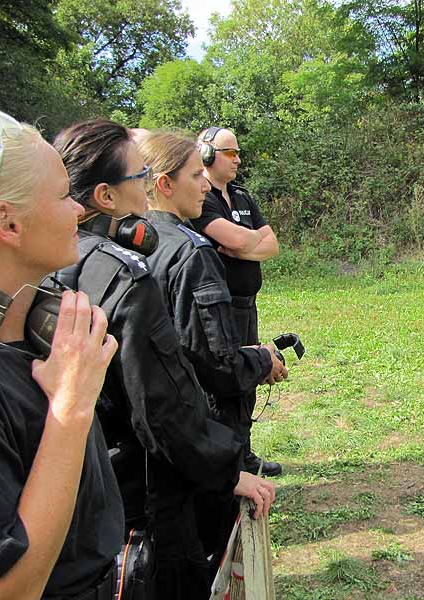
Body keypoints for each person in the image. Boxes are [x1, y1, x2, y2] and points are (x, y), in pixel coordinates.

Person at [51, 119, 275, 599]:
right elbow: (167, 396)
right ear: (108, 196)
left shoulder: (58, 261)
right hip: (150, 485)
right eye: (139, 175)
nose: (206, 184)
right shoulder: (131, 270)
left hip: (90, 480)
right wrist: (226, 466)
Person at [0, 109, 123, 599]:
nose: (79, 211)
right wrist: (71, 406)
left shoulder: (25, 334)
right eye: (63, 196)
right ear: (7, 222)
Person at [136, 130, 285, 559]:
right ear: (164, 183)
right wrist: (260, 358)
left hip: (161, 444)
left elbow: (264, 242)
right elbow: (218, 365)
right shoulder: (191, 253)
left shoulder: (133, 242)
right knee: (213, 543)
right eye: (193, 174)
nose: (203, 183)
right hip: (196, 431)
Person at [191, 126, 282, 476]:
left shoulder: (242, 197)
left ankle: (244, 453)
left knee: (251, 375)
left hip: (247, 303)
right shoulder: (202, 199)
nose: (237, 159)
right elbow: (238, 239)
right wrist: (247, 242)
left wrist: (242, 245)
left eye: (237, 152)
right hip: (220, 308)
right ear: (208, 156)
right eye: (230, 153)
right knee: (225, 381)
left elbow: (270, 244)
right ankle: (227, 459)